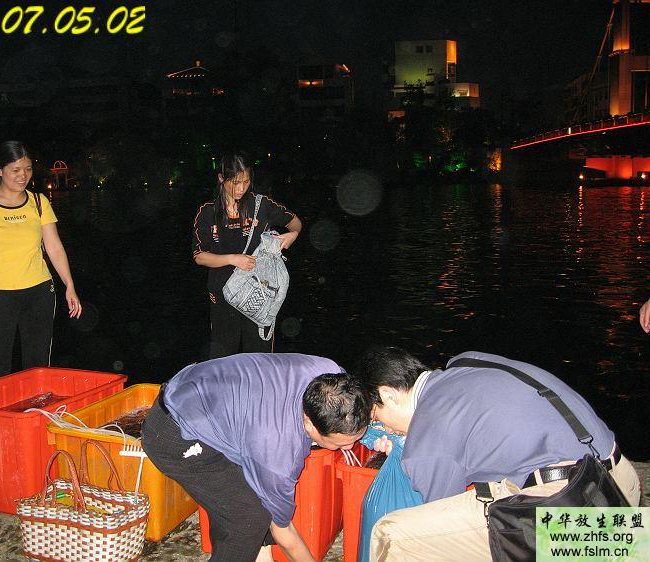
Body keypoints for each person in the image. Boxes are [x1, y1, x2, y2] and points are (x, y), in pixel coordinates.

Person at [354, 347, 641, 562]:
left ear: (388, 395)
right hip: (620, 487)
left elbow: (436, 508)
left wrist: (412, 455)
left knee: (393, 536)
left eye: (377, 417)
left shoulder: (428, 435)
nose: (384, 427)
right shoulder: (468, 362)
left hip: (574, 516)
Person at [141, 352, 370, 562]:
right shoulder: (277, 455)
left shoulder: (332, 378)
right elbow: (284, 533)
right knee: (247, 518)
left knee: (252, 498)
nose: (350, 447)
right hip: (174, 432)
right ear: (309, 423)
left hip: (203, 392)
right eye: (342, 443)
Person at [0, 141, 82, 381]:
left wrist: (69, 285)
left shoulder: (39, 202)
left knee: (38, 366)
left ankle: (35, 405)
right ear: (0, 170)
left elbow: (54, 246)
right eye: (15, 170)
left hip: (39, 292)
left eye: (28, 169)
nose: (23, 175)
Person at [192, 152, 302, 358]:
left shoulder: (261, 205)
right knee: (223, 358)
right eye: (235, 182)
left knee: (260, 357)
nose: (241, 189)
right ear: (221, 178)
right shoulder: (207, 211)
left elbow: (295, 223)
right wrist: (233, 259)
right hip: (223, 293)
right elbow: (199, 256)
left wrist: (292, 235)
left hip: (260, 292)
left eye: (246, 182)